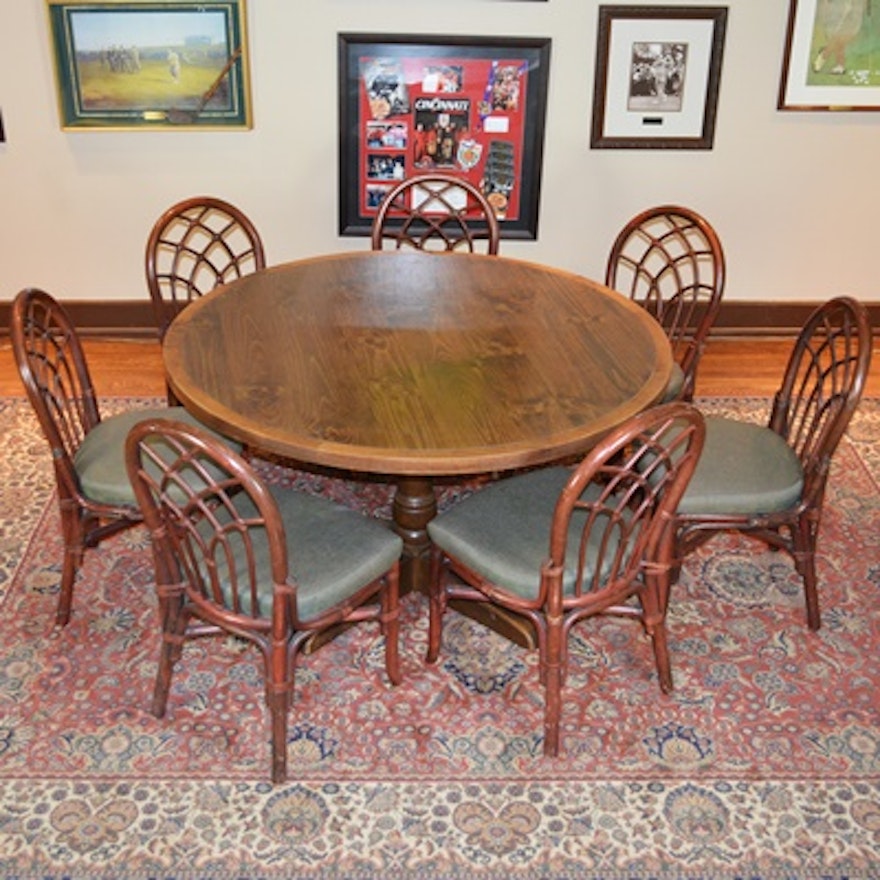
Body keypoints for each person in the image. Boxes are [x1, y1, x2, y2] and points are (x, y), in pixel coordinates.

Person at [813, 0, 867, 75]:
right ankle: (839, 65)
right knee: (839, 37)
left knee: (843, 36)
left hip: (854, 11)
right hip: (842, 9)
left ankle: (824, 54)